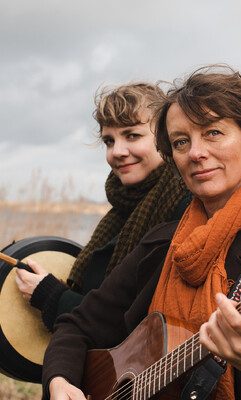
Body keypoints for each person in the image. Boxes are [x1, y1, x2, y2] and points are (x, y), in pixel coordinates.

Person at [42, 65, 241, 399]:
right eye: (181, 142)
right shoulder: (161, 243)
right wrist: (61, 381)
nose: (196, 153)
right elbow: (78, 325)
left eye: (213, 132)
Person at [15, 82, 190, 332]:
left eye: (132, 135)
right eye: (109, 141)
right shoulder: (123, 210)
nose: (117, 152)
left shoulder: (183, 206)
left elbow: (130, 319)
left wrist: (51, 295)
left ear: (165, 137)